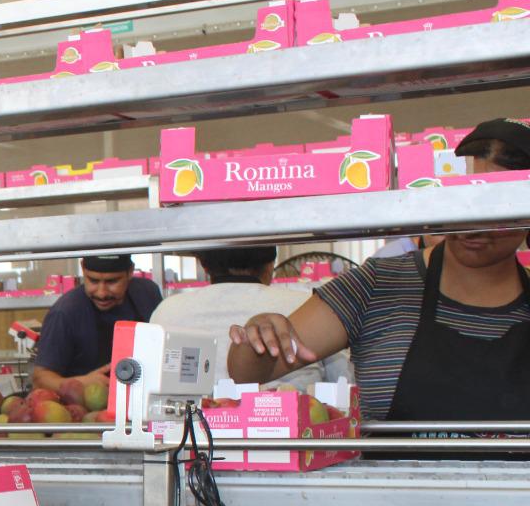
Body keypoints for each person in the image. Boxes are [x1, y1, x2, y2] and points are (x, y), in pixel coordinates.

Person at [228, 118, 530, 426]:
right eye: (463, 202)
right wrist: (260, 337)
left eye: (498, 208)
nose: (475, 226)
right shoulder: (378, 285)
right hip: (393, 475)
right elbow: (247, 372)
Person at [152, 245, 350, 390]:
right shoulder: (309, 306)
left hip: (192, 440)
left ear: (204, 265)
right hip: (293, 439)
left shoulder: (166, 311)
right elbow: (344, 385)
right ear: (271, 265)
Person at [31, 254, 162, 392]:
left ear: (130, 272)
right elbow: (40, 379)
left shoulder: (147, 293)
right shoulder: (64, 313)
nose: (102, 293)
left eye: (112, 281)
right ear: (82, 268)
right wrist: (80, 383)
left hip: (142, 398)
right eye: (93, 280)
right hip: (84, 409)